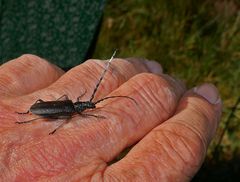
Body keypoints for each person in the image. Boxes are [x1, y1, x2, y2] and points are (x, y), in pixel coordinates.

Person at [0, 54, 221, 181]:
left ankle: (25, 115)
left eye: (89, 106)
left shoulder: (73, 106)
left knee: (47, 111)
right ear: (82, 107)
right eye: (88, 106)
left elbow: (85, 106)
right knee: (42, 117)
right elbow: (71, 111)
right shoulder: (69, 109)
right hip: (43, 110)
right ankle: (24, 117)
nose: (89, 107)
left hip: (52, 107)